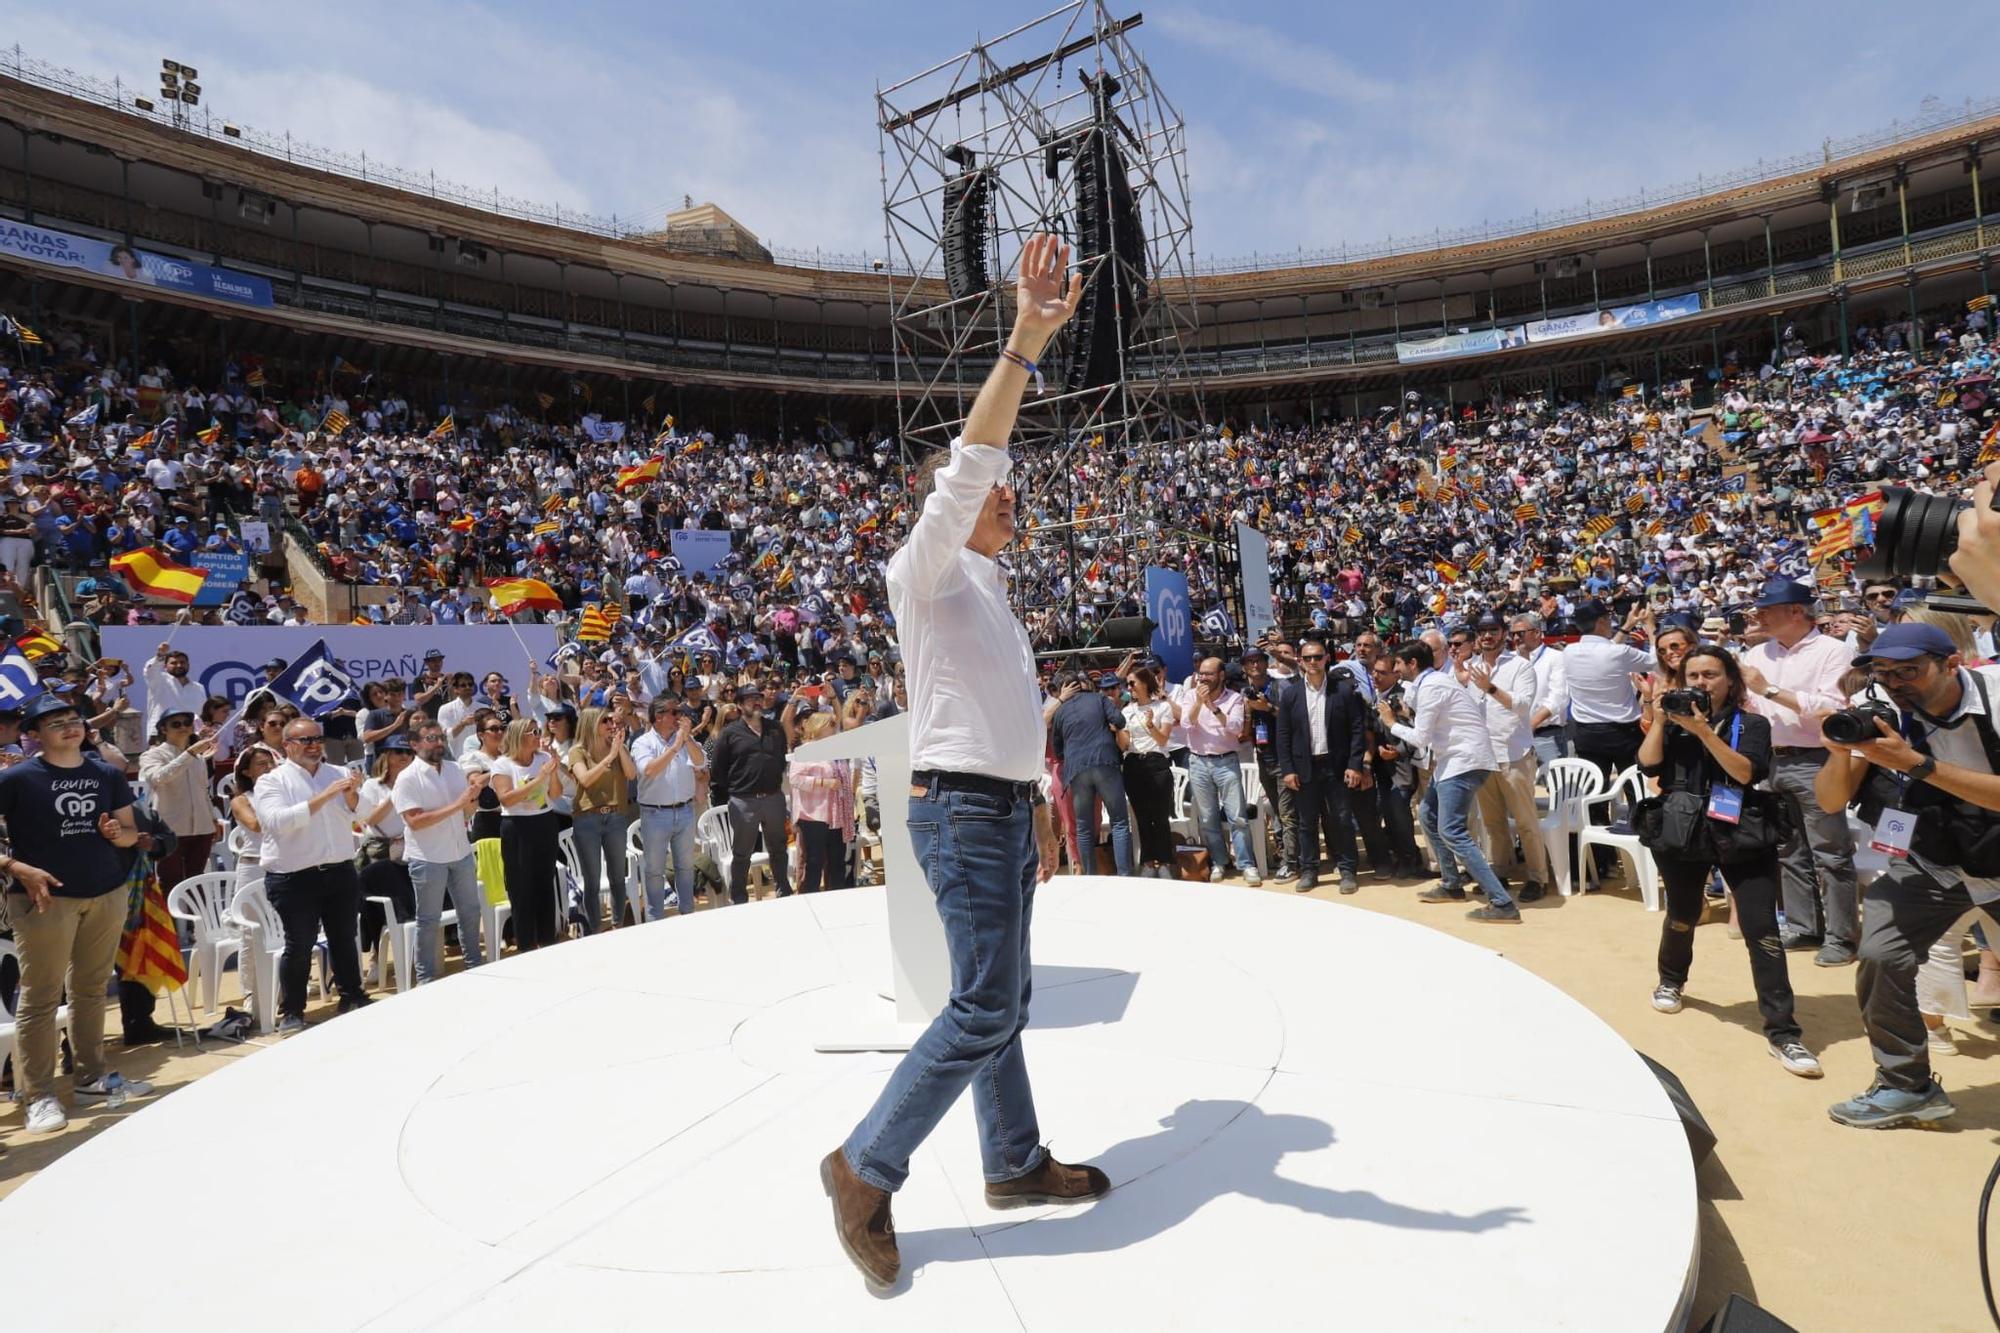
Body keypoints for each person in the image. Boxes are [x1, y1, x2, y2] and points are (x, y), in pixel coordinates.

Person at [826, 233, 1106, 1295]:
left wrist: (1034, 809)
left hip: (993, 808)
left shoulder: (988, 595)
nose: (1004, 495)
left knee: (1004, 997)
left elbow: (999, 720)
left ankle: (1011, 1160)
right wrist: (1025, 341)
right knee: (984, 1007)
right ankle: (863, 1166)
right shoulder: (924, 568)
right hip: (957, 811)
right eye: (991, 490)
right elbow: (971, 462)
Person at [1813, 623, 2000, 1129]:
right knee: (1879, 955)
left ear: (1953, 664)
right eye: (1885, 672)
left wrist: (1916, 765)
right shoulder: (1880, 705)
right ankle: (1904, 1085)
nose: (1896, 683)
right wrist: (1840, 748)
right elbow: (1830, 802)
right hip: (1933, 859)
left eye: (1910, 671)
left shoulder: (1998, 697)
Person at [1636, 644, 1822, 1077]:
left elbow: (1744, 773)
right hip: (1682, 828)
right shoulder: (1673, 723)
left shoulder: (1752, 723)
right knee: (1682, 914)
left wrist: (1704, 732)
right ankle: (1671, 979)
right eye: (1693, 676)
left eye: (1711, 675)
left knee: (1762, 930)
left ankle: (1783, 1032)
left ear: (1730, 680)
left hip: (1740, 831)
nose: (1701, 684)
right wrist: (1662, 719)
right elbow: (1648, 764)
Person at [0, 694, 155, 1133]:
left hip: (106, 891)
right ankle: (39, 1095)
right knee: (41, 997)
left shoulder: (106, 773)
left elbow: (128, 834)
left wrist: (118, 833)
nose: (70, 727)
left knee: (90, 989)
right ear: (33, 734)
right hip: (45, 897)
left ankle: (91, 1077)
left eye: (74, 719)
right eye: (56, 723)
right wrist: (15, 866)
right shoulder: (18, 778)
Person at [1740, 577, 1862, 968]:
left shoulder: (1832, 651)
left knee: (1830, 852)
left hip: (1817, 759)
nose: (1759, 615)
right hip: (1773, 759)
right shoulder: (1759, 655)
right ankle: (1803, 924)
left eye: (1767, 608)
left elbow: (1830, 706)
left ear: (1796, 611)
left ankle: (1841, 937)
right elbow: (1752, 707)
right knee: (1789, 849)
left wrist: (1770, 691)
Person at [1379, 641, 1517, 923]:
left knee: (1452, 830)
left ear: (1413, 664)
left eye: (1399, 665)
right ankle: (1452, 883)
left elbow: (1420, 739)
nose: (1396, 670)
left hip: (1463, 761)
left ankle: (1502, 903)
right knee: (1429, 816)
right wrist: (1407, 715)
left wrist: (1391, 722)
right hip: (1454, 761)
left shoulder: (1432, 686)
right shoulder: (1430, 683)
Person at [252, 717, 370, 1031]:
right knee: (299, 944)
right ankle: (292, 1011)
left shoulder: (340, 773)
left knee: (344, 937)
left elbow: (360, 815)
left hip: (339, 869)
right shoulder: (271, 781)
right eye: (306, 740)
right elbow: (279, 822)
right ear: (288, 745)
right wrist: (326, 794)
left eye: (318, 738)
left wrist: (351, 796)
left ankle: (352, 995)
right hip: (294, 876)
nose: (315, 745)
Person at [1462, 612, 1550, 902]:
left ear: (1503, 633)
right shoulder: (1469, 668)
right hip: (1483, 756)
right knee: (1493, 822)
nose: (1487, 635)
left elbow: (1523, 706)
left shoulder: (1521, 666)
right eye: (1482, 630)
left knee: (1525, 821)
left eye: (1493, 630)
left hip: (1514, 754)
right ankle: (1499, 871)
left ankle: (1538, 877)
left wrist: (1490, 687)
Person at [394, 721, 488, 984]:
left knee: (470, 911)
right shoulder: (407, 778)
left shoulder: (455, 769)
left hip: (460, 851)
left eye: (440, 737)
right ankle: (426, 979)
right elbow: (415, 821)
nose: (438, 743)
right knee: (428, 920)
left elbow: (466, 812)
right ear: (414, 744)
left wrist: (473, 799)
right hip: (428, 858)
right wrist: (458, 804)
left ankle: (474, 966)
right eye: (431, 738)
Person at [1274, 637, 1369, 893]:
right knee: (1306, 822)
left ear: (1327, 658)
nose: (1313, 662)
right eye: (1307, 658)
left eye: (1318, 657)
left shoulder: (1344, 690)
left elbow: (1357, 730)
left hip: (1337, 767)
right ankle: (1309, 871)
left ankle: (1348, 870)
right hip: (1305, 768)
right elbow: (1282, 735)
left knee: (1342, 819)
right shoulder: (1291, 693)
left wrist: (1355, 764)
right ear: (1300, 661)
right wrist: (1288, 770)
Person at [1176, 656, 1261, 885]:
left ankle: (1246, 864)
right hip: (1198, 762)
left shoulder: (1234, 698)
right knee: (1208, 818)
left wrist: (1212, 707)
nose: (1203, 677)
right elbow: (1186, 724)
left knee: (1238, 817)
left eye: (1209, 673)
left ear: (1221, 675)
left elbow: (1234, 728)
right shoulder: (1190, 696)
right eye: (1201, 673)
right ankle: (1220, 862)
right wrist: (1198, 703)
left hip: (1226, 762)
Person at [707, 683, 792, 903]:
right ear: (738, 705)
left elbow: (781, 757)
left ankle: (783, 888)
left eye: (758, 698)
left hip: (773, 797)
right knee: (742, 852)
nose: (756, 702)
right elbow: (717, 770)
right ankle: (739, 897)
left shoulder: (775, 728)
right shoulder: (729, 733)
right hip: (743, 801)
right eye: (749, 699)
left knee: (778, 848)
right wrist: (737, 791)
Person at [489, 717, 566, 951]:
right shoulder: (503, 765)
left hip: (544, 823)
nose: (537, 735)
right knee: (521, 888)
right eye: (532, 731)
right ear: (518, 736)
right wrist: (540, 778)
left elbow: (555, 794)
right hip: (517, 827)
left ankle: (547, 939)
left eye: (537, 731)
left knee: (545, 882)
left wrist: (551, 771)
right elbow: (506, 798)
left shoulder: (542, 759)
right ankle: (525, 943)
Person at [1050, 670, 1133, 876]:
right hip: (1105, 762)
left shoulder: (1059, 713)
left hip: (1077, 771)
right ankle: (1125, 875)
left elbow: (1058, 750)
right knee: (1120, 822)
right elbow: (1119, 721)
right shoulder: (1099, 699)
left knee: (1083, 827)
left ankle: (1090, 877)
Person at [136, 707, 223, 892]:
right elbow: (159, 778)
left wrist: (213, 818)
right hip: (171, 829)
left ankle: (194, 921)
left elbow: (203, 790)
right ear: (163, 729)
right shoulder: (152, 755)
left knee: (197, 881)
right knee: (170, 882)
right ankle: (172, 922)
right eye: (176, 724)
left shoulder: (198, 757)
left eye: (187, 723)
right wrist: (189, 754)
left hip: (202, 828)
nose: (183, 727)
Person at [567, 704, 636, 928]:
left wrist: (620, 749)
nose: (611, 724)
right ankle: (594, 928)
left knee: (618, 877)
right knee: (592, 880)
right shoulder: (577, 751)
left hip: (616, 817)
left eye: (611, 721)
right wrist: (609, 758)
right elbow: (585, 779)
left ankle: (618, 925)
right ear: (591, 723)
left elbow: (631, 774)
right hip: (587, 819)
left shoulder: (616, 746)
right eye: (605, 721)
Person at [1121, 665, 1177, 879]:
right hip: (1134, 764)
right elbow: (1125, 745)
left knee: (1160, 815)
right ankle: (1148, 862)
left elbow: (1163, 739)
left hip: (1157, 762)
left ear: (1145, 683)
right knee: (1142, 817)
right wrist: (1118, 730)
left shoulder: (1163, 707)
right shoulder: (1126, 711)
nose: (1130, 688)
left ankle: (1165, 861)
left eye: (1132, 683)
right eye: (1127, 684)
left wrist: (1150, 724)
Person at [790, 711, 855, 893]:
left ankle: (837, 900)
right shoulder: (806, 750)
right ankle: (809, 900)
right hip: (813, 817)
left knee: (837, 863)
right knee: (814, 863)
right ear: (818, 726)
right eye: (830, 723)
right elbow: (795, 778)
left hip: (837, 816)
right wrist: (823, 783)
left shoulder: (837, 749)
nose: (835, 727)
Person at [142, 642, 206, 738]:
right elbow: (150, 670)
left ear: (188, 665)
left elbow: (201, 714)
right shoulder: (159, 680)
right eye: (173, 663)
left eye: (182, 662)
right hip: (161, 735)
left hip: (191, 737)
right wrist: (160, 656)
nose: (179, 665)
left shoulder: (198, 687)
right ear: (165, 666)